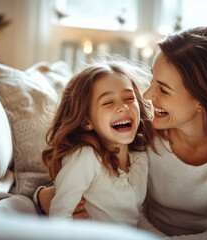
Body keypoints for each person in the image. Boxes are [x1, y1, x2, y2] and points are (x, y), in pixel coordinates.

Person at [36, 26, 207, 239]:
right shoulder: (143, 129)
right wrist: (44, 197)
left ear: (203, 101)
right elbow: (86, 172)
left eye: (163, 89)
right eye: (152, 80)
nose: (147, 95)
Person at [37, 55, 161, 230]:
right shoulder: (86, 157)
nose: (123, 107)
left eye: (128, 98)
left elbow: (136, 217)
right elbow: (60, 216)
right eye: (108, 102)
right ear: (87, 121)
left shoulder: (140, 158)